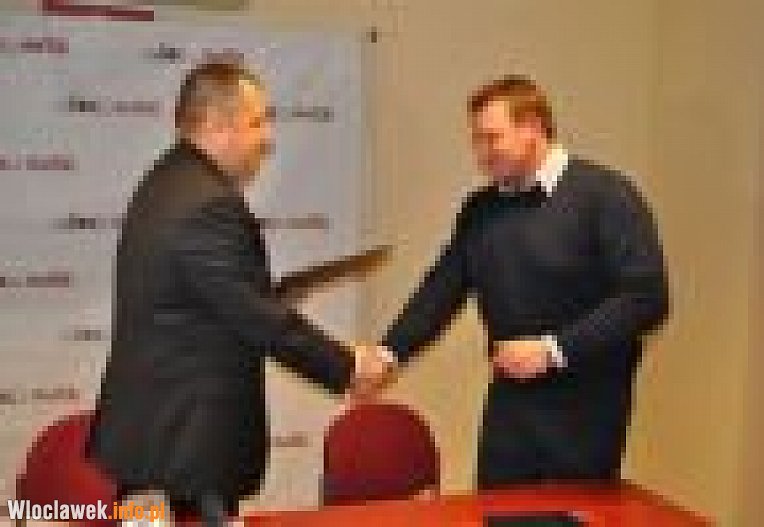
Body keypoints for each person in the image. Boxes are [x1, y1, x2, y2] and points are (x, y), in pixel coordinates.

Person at [86, 61, 390, 526]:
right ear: (215, 124)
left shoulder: (164, 181)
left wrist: (267, 301)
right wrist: (348, 365)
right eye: (257, 122)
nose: (267, 138)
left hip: (155, 447)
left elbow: (206, 304)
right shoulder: (210, 203)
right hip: (187, 455)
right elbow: (257, 319)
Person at [380, 75, 670, 488]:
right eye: (476, 141)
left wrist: (553, 350)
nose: (481, 154)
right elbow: (442, 288)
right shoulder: (480, 209)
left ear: (533, 127)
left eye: (491, 138)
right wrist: (388, 353)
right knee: (496, 513)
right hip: (508, 414)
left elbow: (646, 297)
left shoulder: (607, 196)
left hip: (586, 419)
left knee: (566, 517)